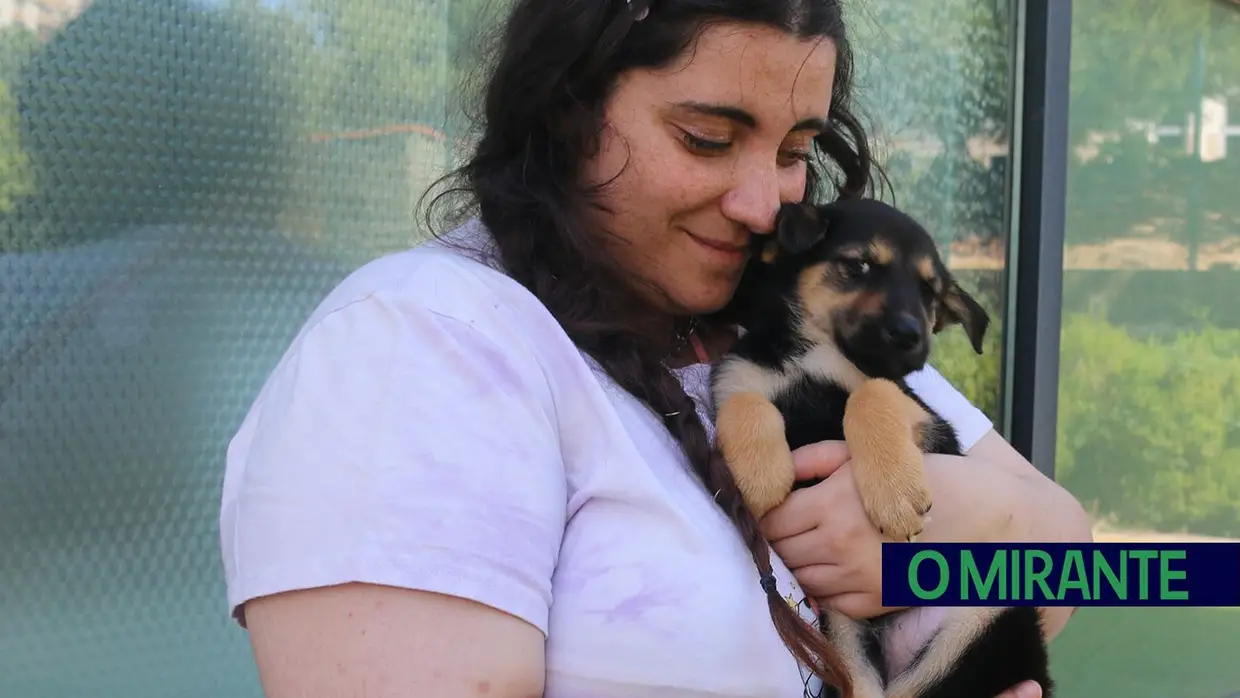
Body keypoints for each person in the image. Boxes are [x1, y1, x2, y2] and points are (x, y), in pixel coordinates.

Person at [218, 1, 1093, 696]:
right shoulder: (427, 343)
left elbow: (1116, 574)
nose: (764, 203)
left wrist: (980, 520)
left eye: (795, 151)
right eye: (706, 139)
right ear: (566, 109)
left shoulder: (807, 325)